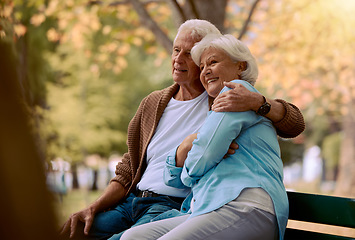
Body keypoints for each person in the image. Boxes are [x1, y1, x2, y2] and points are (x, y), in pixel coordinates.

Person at [60, 20, 304, 240]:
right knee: (68, 233)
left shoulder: (225, 95)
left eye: (189, 54)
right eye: (176, 50)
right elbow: (128, 167)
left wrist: (260, 103)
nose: (178, 58)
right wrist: (94, 206)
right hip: (132, 201)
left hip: (172, 205)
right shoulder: (153, 103)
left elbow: (295, 124)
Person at [121, 33, 288, 240]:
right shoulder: (219, 104)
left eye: (213, 62)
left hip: (246, 205)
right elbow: (194, 160)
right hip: (212, 207)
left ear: (241, 66)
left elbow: (203, 155)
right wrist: (187, 148)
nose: (206, 71)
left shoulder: (237, 93)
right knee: (132, 237)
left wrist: (188, 168)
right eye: (201, 67)